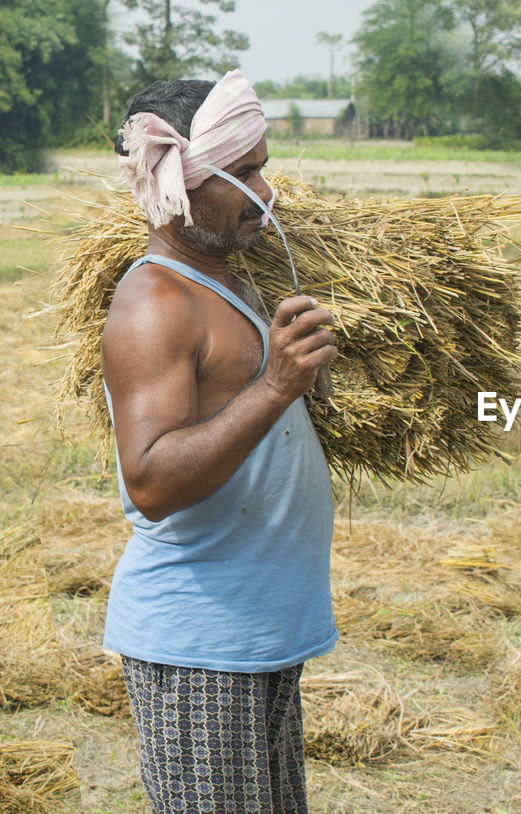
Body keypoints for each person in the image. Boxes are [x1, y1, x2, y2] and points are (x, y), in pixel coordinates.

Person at [102, 69, 338, 813]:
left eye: (262, 166)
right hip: (200, 647)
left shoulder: (227, 280)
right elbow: (152, 482)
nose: (265, 191)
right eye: (242, 172)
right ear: (182, 183)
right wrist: (277, 387)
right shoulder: (156, 303)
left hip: (256, 634)